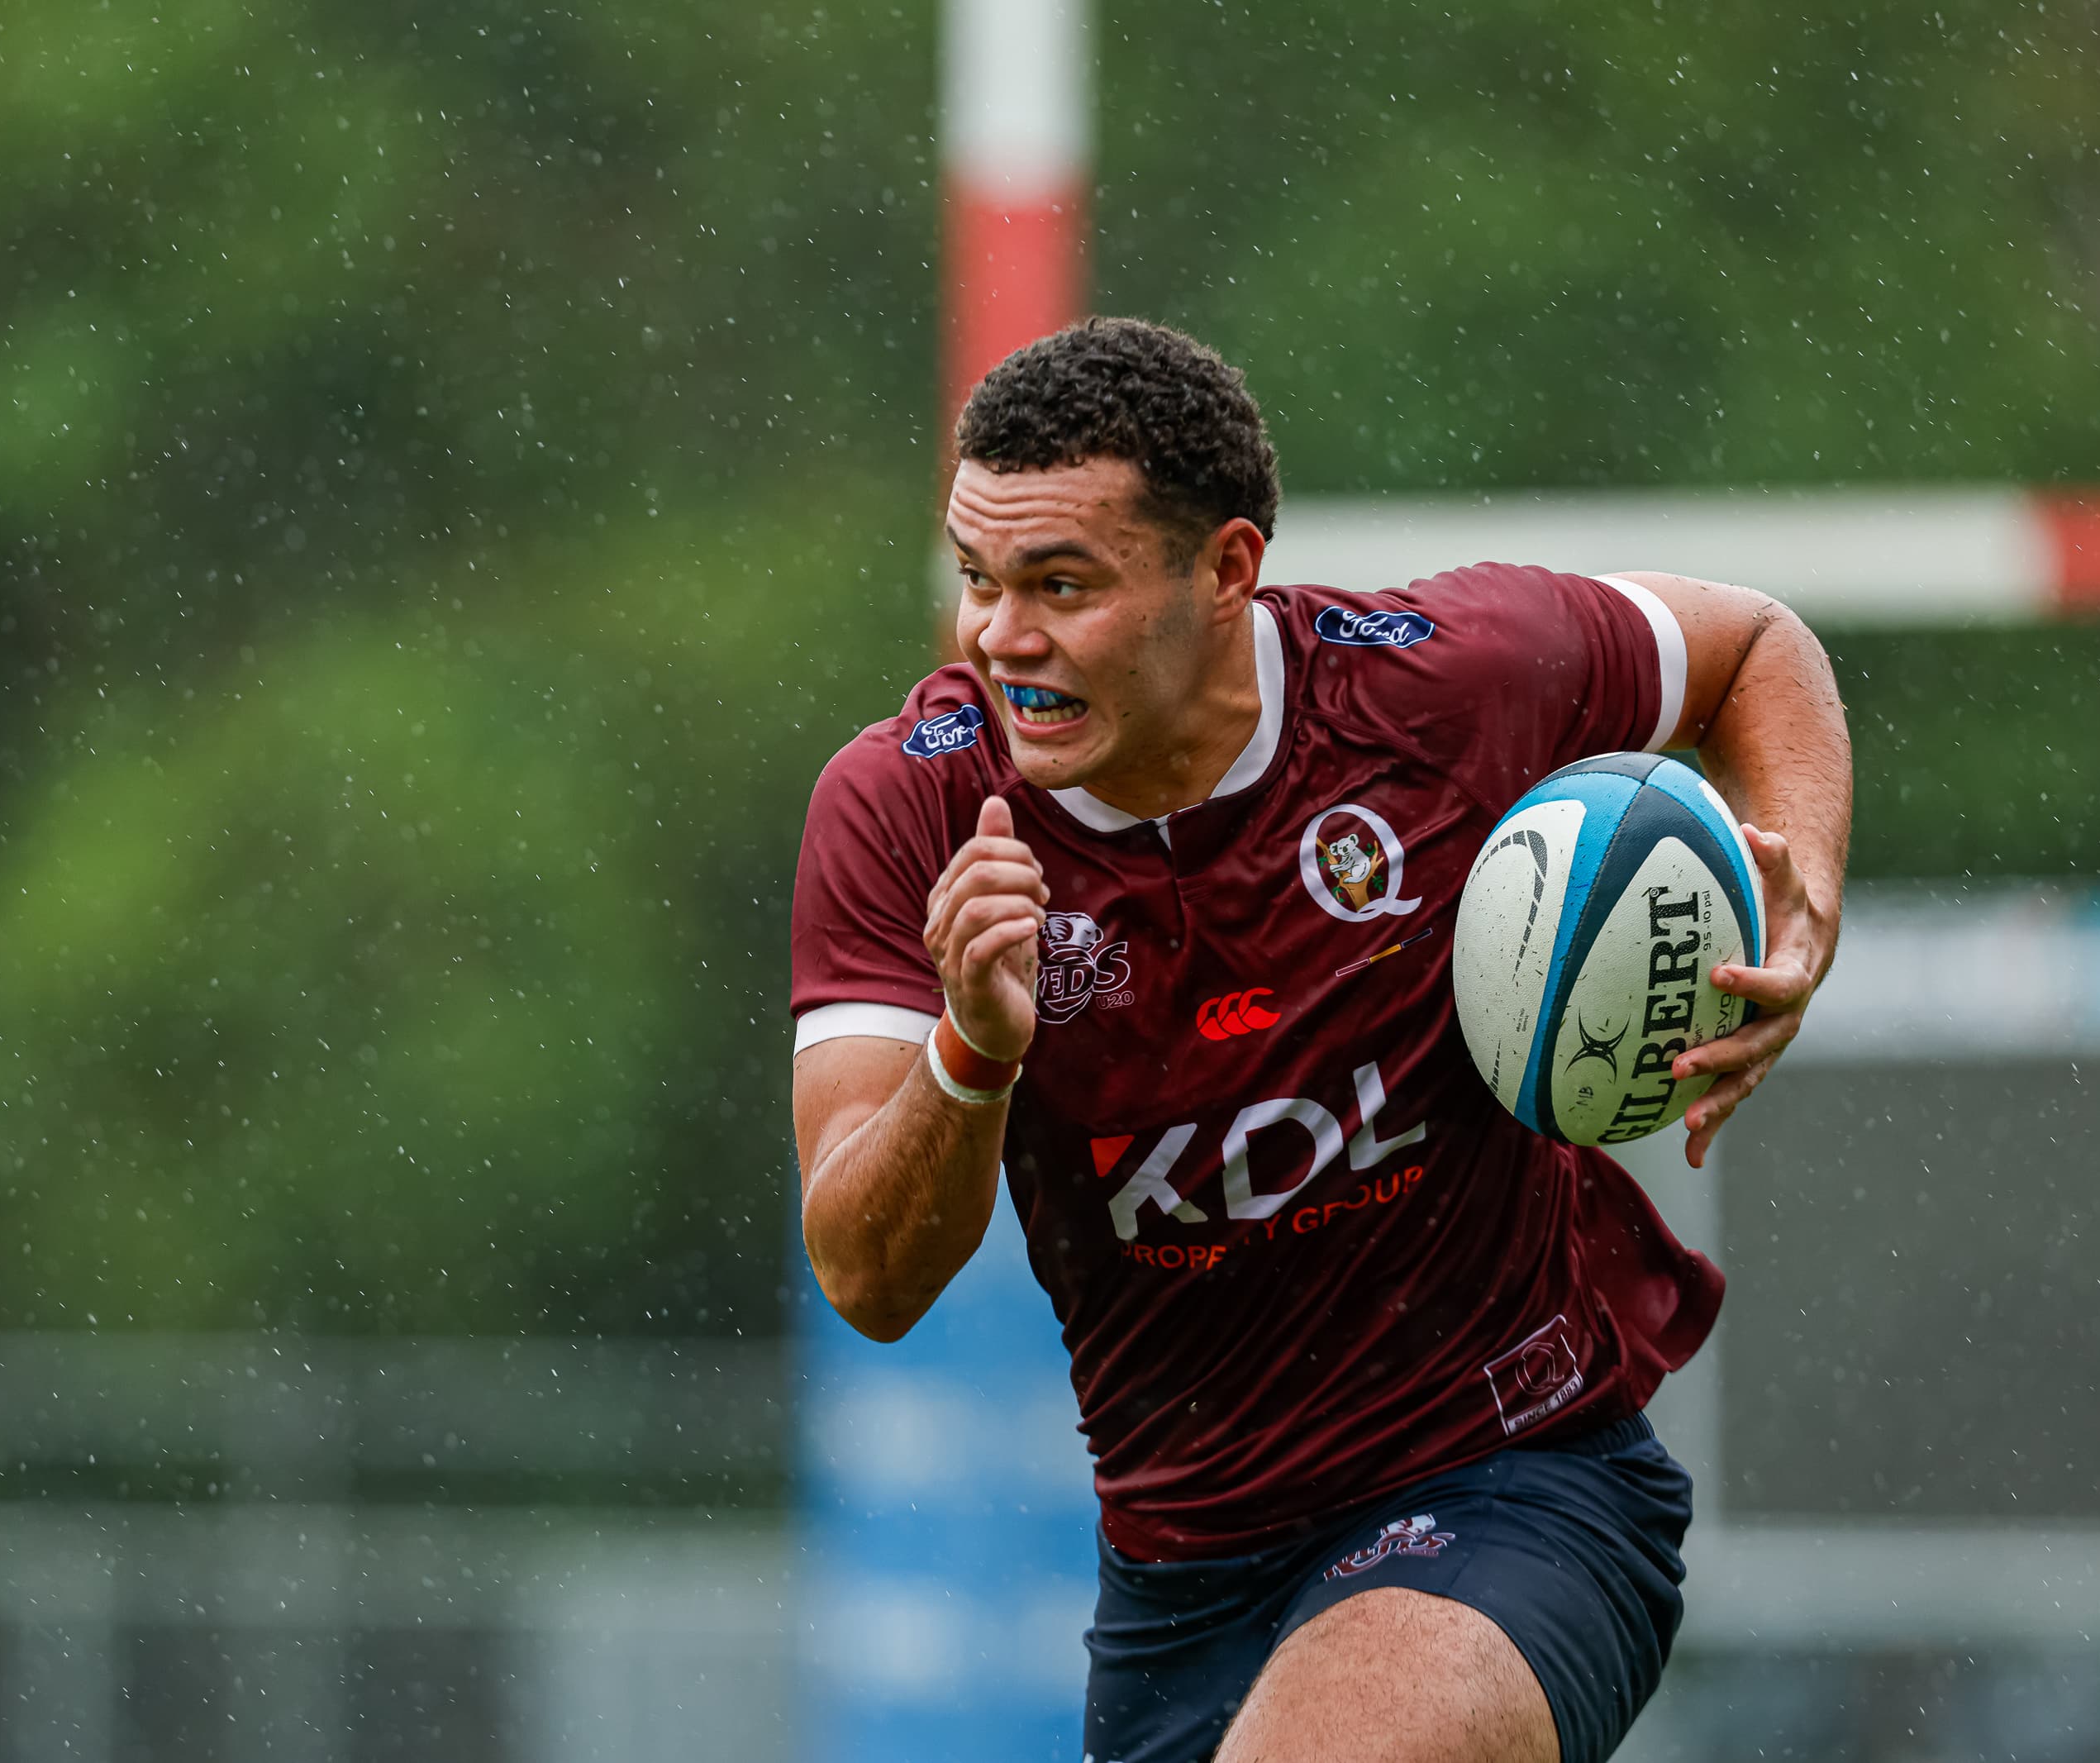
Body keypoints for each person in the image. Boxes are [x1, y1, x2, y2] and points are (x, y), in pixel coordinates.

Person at [789, 317, 1851, 1763]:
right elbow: (867, 1274)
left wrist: (1802, 909)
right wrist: (969, 1053)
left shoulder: (1437, 684)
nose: (998, 636)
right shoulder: (906, 811)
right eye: (978, 580)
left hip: (1510, 1475)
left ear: (1226, 570)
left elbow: (1747, 646)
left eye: (1060, 585)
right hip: (1183, 1573)